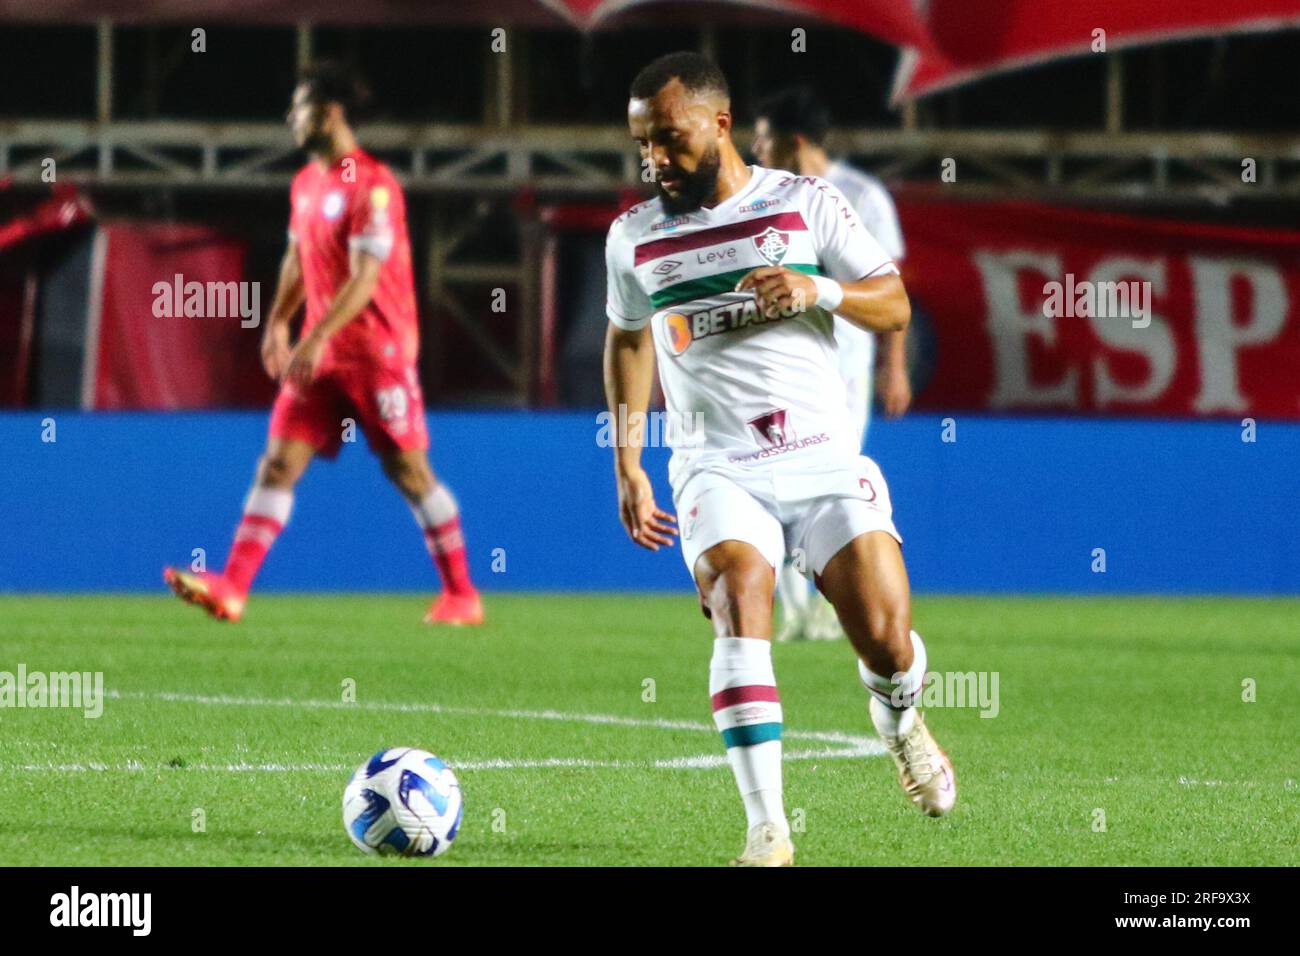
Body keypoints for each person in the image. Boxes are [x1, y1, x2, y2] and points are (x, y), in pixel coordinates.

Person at [603, 52, 955, 867]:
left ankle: (901, 722)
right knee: (738, 588)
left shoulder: (804, 204)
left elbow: (894, 303)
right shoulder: (635, 238)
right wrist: (628, 460)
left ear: (720, 124)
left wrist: (816, 292)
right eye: (641, 145)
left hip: (823, 456)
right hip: (716, 464)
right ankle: (768, 828)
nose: (654, 159)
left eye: (669, 139)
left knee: (887, 638)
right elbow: (627, 339)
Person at [163, 63, 482, 626]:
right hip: (322, 354)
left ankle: (462, 594)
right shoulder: (307, 183)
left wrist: (312, 335)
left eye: (299, 107)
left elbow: (364, 278)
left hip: (376, 353)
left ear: (330, 112)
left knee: (409, 473)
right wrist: (277, 323)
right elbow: (296, 260)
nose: (291, 118)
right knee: (277, 464)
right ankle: (232, 587)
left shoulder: (374, 185)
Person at [753, 86, 912, 642]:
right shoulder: (762, 196)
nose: (756, 150)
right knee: (779, 484)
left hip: (846, 370)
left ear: (794, 141)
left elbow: (892, 289)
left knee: (831, 481)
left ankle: (821, 603)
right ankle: (797, 608)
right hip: (783, 368)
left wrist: (896, 368)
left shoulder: (862, 197)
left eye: (764, 140)